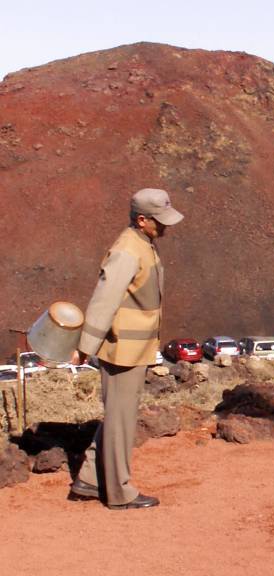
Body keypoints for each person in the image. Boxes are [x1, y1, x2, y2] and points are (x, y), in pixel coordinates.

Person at [69, 188, 183, 509]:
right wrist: (85, 346)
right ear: (142, 219)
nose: (166, 227)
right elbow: (104, 301)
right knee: (122, 421)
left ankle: (89, 479)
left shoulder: (144, 243)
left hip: (135, 349)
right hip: (122, 351)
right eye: (159, 221)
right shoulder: (127, 250)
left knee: (119, 417)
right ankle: (120, 493)